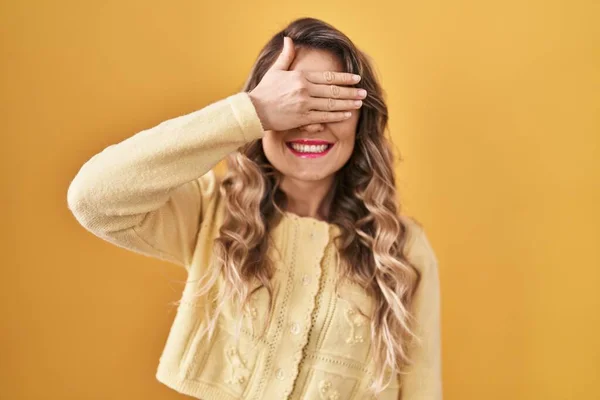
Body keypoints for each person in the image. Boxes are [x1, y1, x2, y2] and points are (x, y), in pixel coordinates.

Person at [67, 17, 441, 400]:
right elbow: (93, 198)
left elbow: (422, 390)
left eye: (330, 103)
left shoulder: (402, 247)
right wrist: (250, 111)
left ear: (361, 121)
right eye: (296, 102)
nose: (311, 125)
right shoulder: (212, 212)